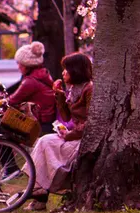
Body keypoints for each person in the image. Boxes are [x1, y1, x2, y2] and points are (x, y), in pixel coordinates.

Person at [31, 52, 93, 198]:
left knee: (47, 143)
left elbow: (92, 122)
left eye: (67, 69)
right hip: (75, 135)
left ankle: (41, 191)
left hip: (84, 139)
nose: (63, 72)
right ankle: (37, 190)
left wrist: (70, 135)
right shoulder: (73, 89)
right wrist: (59, 96)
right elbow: (66, 116)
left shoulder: (89, 89)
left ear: (76, 70)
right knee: (43, 141)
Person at [6, 40, 56, 134]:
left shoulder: (30, 82)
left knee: (5, 127)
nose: (18, 67)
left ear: (26, 65)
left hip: (41, 124)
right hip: (48, 121)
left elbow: (12, 100)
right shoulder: (42, 73)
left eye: (19, 64)